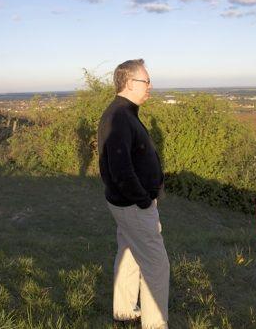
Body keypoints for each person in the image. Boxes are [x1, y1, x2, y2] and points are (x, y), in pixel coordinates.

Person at [98, 59, 169, 329]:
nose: (150, 86)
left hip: (126, 203)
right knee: (156, 265)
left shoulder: (123, 113)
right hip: (132, 205)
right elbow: (120, 168)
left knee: (129, 253)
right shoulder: (119, 116)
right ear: (129, 83)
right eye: (146, 81)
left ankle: (125, 310)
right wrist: (142, 200)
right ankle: (155, 324)